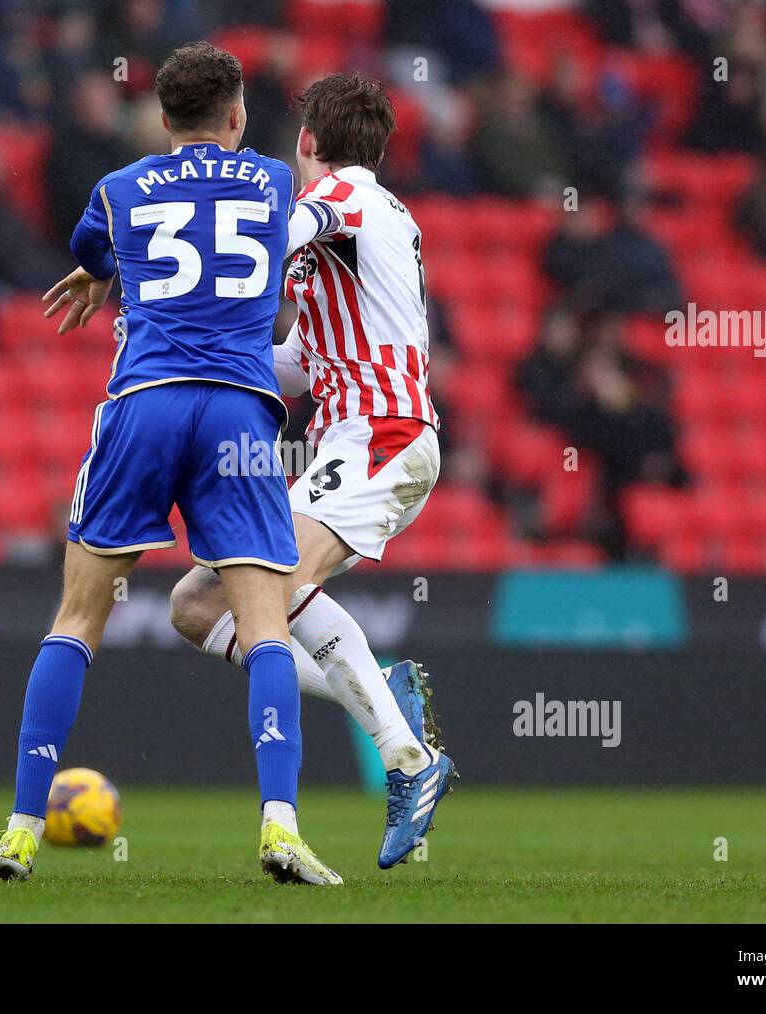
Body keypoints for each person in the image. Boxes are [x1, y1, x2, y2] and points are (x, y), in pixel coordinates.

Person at [0, 43, 351, 885]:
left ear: (161, 119)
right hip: (238, 414)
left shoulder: (117, 189)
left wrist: (97, 271)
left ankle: (19, 829)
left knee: (76, 619)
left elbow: (100, 250)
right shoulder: (272, 181)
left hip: (143, 406)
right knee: (265, 625)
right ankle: (281, 827)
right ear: (237, 116)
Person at [168, 73, 455, 869]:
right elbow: (298, 365)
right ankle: (390, 710)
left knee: (273, 585)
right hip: (345, 441)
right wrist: (209, 363)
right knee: (196, 605)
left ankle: (407, 757)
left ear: (308, 144)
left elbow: (278, 232)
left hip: (383, 436)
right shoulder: (360, 225)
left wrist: (180, 276)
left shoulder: (351, 202)